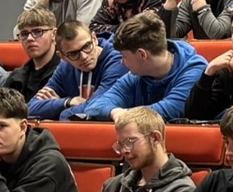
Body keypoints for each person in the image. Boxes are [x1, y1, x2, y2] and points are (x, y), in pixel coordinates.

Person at [69, 106, 196, 192]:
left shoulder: (181, 190)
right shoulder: (114, 185)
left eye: (130, 141)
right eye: (120, 145)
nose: (125, 150)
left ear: (155, 138)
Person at [66, 12, 207, 122]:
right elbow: (94, 106)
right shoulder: (136, 75)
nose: (122, 62)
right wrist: (114, 112)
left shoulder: (195, 70)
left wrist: (125, 114)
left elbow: (171, 110)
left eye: (124, 56)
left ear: (142, 55)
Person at [28, 20, 122, 119]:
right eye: (73, 54)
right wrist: (68, 102)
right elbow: (30, 108)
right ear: (62, 57)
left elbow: (97, 106)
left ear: (94, 39)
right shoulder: (65, 67)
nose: (84, 57)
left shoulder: (117, 61)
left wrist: (62, 111)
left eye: (86, 46)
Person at [3, 9, 62, 103]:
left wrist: (59, 104)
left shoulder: (68, 72)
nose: (29, 38)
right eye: (24, 34)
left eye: (38, 32)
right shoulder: (15, 78)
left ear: (54, 34)